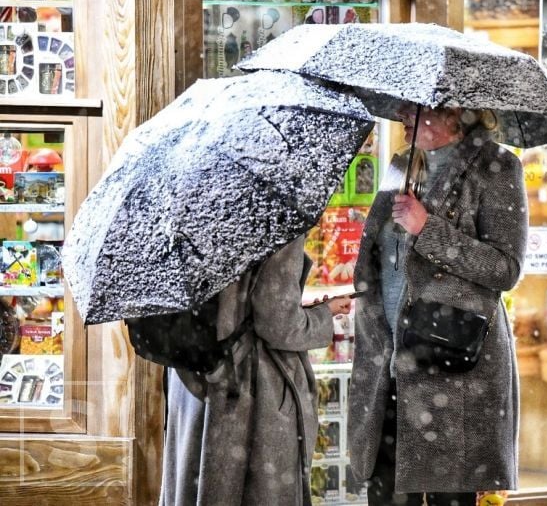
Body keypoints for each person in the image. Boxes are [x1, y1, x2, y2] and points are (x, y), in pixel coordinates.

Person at [348, 104, 528, 506]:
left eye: (414, 108)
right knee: (386, 491)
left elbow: (505, 268)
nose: (401, 115)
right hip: (389, 362)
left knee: (450, 495)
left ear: (453, 113)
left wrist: (428, 228)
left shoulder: (497, 168)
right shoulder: (401, 164)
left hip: (450, 364)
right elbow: (377, 248)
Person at [160, 236, 352, 506]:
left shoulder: (189, 219)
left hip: (192, 381)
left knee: (198, 485)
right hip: (246, 391)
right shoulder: (275, 217)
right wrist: (320, 318)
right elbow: (280, 325)